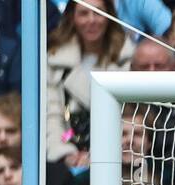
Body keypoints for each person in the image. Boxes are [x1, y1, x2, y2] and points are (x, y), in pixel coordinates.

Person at [46, 0, 134, 168]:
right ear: (72, 17)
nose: (91, 20)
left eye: (98, 12)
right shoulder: (55, 60)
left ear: (109, 15)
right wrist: (66, 153)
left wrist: (100, 154)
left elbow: (129, 116)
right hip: (70, 155)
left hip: (116, 155)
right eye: (84, 13)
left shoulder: (127, 58)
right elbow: (52, 115)